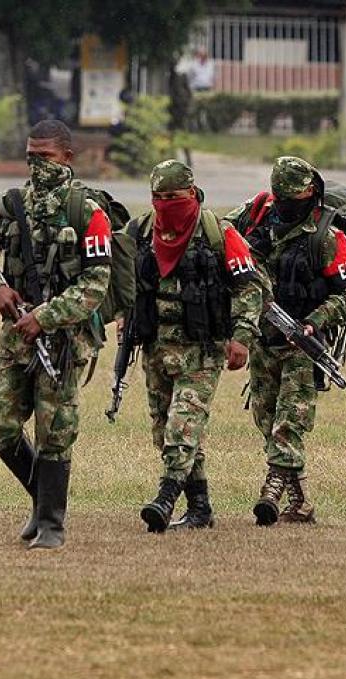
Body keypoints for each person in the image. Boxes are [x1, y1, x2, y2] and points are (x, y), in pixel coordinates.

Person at [0, 119, 113, 550]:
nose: (37, 165)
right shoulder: (9, 205)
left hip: (63, 340)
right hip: (16, 336)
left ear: (68, 157)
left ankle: (51, 523)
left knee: (55, 430)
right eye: (31, 157)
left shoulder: (88, 210)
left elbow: (96, 283)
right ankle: (39, 497)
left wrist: (46, 318)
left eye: (45, 157)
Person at [127, 160, 263, 532]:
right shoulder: (140, 230)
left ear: (191, 193)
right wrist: (124, 316)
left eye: (173, 196)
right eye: (159, 197)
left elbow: (249, 289)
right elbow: (122, 281)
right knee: (163, 429)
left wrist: (242, 337)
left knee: (182, 425)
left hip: (202, 350)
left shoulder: (219, 234)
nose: (166, 203)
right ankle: (200, 506)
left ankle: (166, 498)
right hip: (156, 347)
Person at [225, 156, 346, 526]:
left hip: (303, 343)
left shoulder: (328, 236)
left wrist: (315, 322)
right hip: (262, 338)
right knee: (266, 417)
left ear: (310, 193)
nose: (285, 206)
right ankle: (301, 504)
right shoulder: (257, 215)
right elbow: (220, 234)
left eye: (293, 199)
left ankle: (271, 490)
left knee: (291, 421)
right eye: (280, 197)